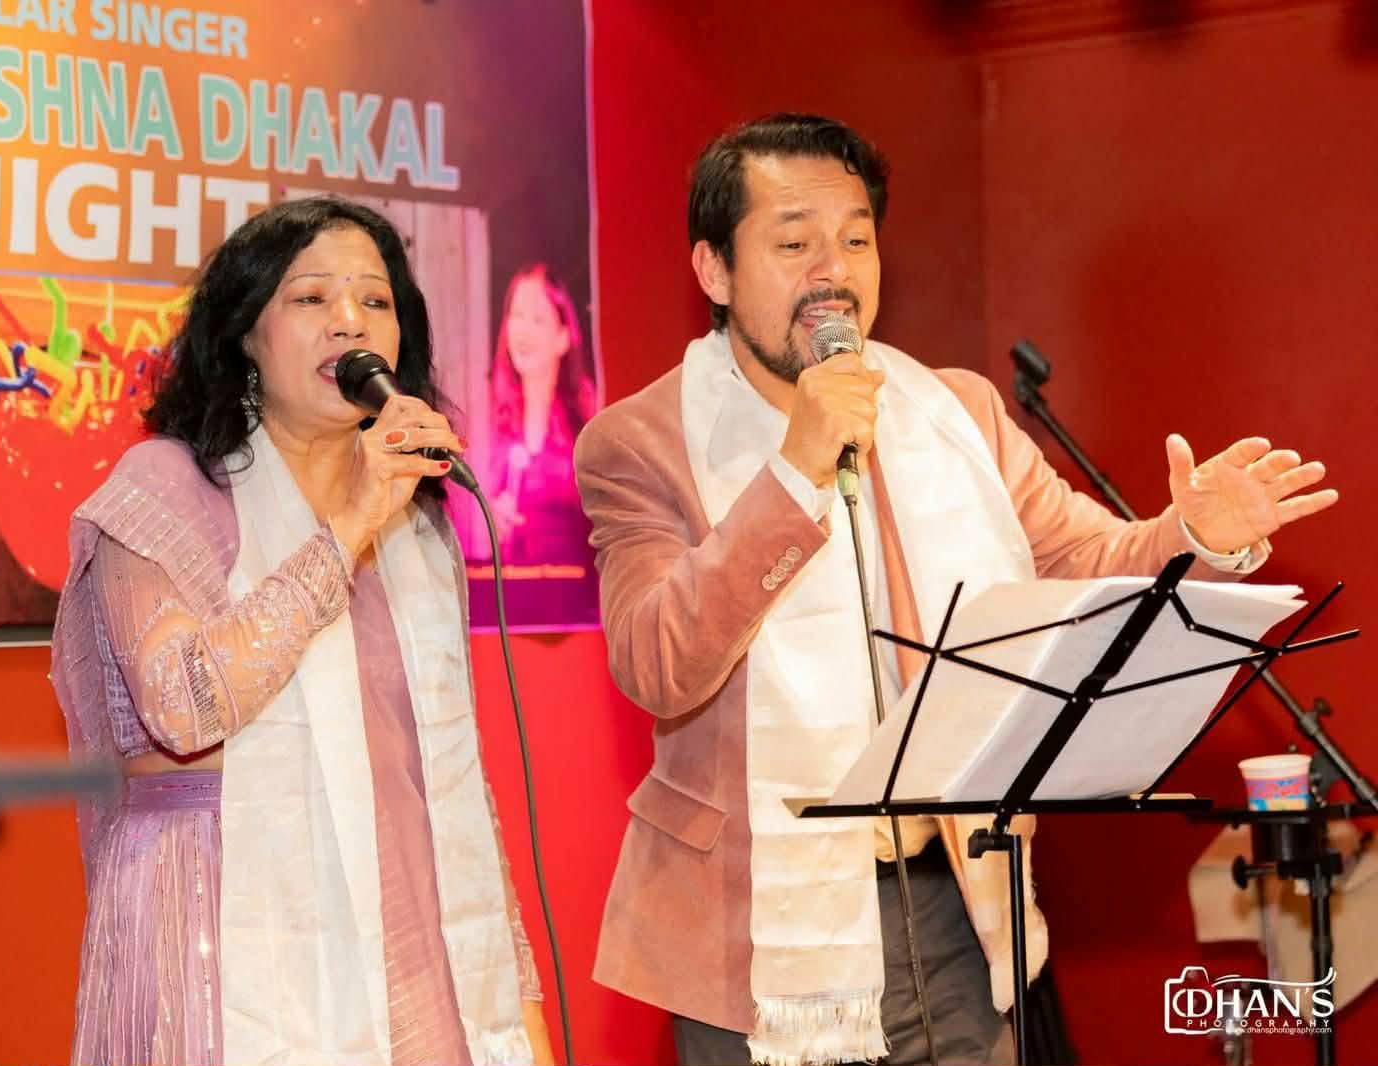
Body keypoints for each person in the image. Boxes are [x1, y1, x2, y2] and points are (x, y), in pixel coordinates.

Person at [573, 113, 1338, 1066]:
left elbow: (1084, 561)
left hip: (959, 901)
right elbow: (659, 664)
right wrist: (795, 472)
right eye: (794, 243)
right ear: (714, 271)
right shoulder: (640, 443)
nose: (833, 270)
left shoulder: (954, 411)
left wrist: (1192, 536)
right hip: (756, 933)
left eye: (856, 239)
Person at [50, 195, 553, 1066]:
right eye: (311, 297)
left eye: (375, 300)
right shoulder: (164, 487)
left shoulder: (417, 525)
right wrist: (347, 526)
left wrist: (521, 1004)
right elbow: (184, 709)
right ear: (246, 332)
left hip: (404, 928)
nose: (350, 319)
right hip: (215, 930)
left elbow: (451, 784)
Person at [487, 264, 598, 566]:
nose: (522, 330)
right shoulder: (493, 420)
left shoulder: (589, 422)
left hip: (577, 586)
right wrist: (493, 520)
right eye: (517, 315)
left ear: (563, 337)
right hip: (514, 584)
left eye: (537, 319)